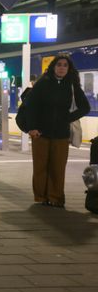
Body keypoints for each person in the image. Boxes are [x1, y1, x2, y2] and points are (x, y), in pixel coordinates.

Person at [21, 54, 90, 207]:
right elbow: (31, 107)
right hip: (40, 133)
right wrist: (32, 128)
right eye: (59, 64)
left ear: (69, 68)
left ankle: (56, 198)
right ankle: (41, 197)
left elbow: (85, 107)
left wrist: (68, 117)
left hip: (61, 134)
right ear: (53, 66)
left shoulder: (72, 85)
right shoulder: (43, 84)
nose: (62, 68)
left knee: (58, 167)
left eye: (65, 65)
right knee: (40, 167)